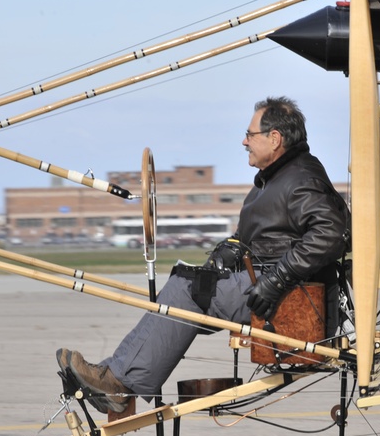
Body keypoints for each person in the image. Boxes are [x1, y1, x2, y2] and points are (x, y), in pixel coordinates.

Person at [56, 96, 349, 414]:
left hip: (287, 296)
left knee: (186, 289)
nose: (244, 141)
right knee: (187, 281)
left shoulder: (300, 179)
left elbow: (331, 235)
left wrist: (276, 280)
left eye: (250, 135)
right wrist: (231, 247)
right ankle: (117, 378)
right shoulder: (275, 180)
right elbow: (266, 237)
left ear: (274, 138)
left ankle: (117, 383)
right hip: (264, 281)